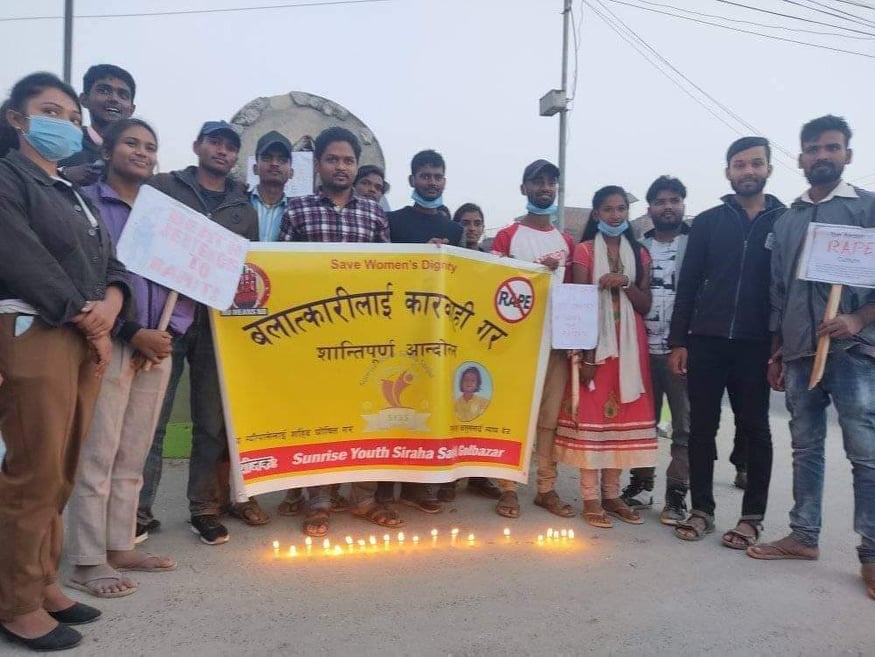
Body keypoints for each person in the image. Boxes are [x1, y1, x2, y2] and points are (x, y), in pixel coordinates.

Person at [0, 71, 131, 651]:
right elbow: (22, 258)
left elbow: (112, 264)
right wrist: (88, 317)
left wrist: (111, 304)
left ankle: (43, 580)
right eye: (51, 112)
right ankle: (15, 602)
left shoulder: (71, 192)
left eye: (74, 119)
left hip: (82, 334)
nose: (67, 125)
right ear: (18, 119)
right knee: (34, 469)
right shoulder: (9, 179)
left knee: (62, 467)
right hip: (38, 329)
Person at [747, 115, 875, 601]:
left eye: (831, 148)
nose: (822, 156)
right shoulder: (788, 219)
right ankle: (803, 535)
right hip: (800, 351)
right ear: (800, 158)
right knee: (805, 447)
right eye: (814, 149)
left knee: (865, 453)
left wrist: (858, 318)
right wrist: (777, 351)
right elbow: (779, 290)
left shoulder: (867, 209)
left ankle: (872, 554)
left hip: (855, 351)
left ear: (847, 155)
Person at [66, 118, 183, 598]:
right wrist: (131, 332)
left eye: (150, 147)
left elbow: (184, 280)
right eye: (131, 143)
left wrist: (169, 333)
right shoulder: (85, 204)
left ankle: (120, 545)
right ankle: (86, 560)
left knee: (134, 451)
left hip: (158, 344)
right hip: (107, 341)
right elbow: (83, 278)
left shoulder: (164, 214)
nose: (142, 152)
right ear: (108, 150)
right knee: (99, 451)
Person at [137, 121, 259, 546]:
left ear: (236, 156)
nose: (222, 151)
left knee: (210, 422)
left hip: (216, 325)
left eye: (229, 146)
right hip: (166, 318)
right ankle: (137, 511)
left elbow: (248, 266)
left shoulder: (243, 208)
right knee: (152, 417)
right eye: (215, 143)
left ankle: (203, 509)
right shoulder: (164, 188)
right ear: (197, 146)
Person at [278, 126, 402, 537]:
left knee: (366, 415)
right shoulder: (297, 210)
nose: (341, 167)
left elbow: (390, 274)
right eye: (332, 159)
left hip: (363, 336)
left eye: (348, 160)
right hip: (313, 336)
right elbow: (281, 271)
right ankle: (319, 502)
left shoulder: (374, 214)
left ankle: (363, 497)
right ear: (318, 165)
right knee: (319, 416)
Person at [669, 136, 785, 547]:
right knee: (701, 428)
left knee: (756, 429)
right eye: (740, 164)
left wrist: (781, 346)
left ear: (768, 169)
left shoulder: (785, 223)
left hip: (756, 345)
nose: (748, 171)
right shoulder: (708, 222)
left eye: (756, 163)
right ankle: (701, 510)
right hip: (706, 341)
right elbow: (687, 285)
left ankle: (752, 518)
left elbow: (788, 289)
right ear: (728, 172)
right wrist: (679, 341)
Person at [555, 186, 656, 528]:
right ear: (596, 213)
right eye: (608, 209)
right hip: (595, 346)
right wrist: (586, 357)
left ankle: (612, 495)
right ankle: (589, 498)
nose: (616, 215)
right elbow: (580, 305)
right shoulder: (584, 251)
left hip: (630, 348)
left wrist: (625, 282)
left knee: (620, 421)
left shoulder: (639, 254)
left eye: (621, 209)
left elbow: (645, 305)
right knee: (593, 419)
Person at [490, 160, 577, 520]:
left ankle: (546, 487)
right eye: (537, 182)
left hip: (555, 343)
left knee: (549, 418)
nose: (545, 188)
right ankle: (508, 487)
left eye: (550, 182)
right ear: (523, 188)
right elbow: (493, 287)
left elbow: (573, 294)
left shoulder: (566, 242)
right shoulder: (507, 236)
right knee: (514, 413)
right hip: (516, 344)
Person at [620, 176, 692, 525]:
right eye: (661, 201)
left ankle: (677, 495)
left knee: (684, 427)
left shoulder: (696, 245)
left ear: (683, 205)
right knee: (642, 423)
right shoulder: (638, 248)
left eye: (674, 200)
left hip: (682, 351)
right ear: (649, 209)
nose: (668, 207)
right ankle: (641, 486)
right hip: (641, 349)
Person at [59, 64, 136, 187]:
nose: (114, 99)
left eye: (123, 95)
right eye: (104, 91)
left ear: (131, 109)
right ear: (84, 99)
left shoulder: (139, 154)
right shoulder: (62, 143)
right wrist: (64, 174)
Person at [387, 149, 461, 245]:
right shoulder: (390, 221)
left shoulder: (456, 231)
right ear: (411, 180)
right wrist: (424, 251)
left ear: (444, 182)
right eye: (425, 177)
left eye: (438, 177)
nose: (432, 183)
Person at [250, 130, 293, 242]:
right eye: (267, 158)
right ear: (255, 168)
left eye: (282, 160)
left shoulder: (297, 211)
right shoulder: (237, 202)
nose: (274, 163)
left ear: (291, 172)